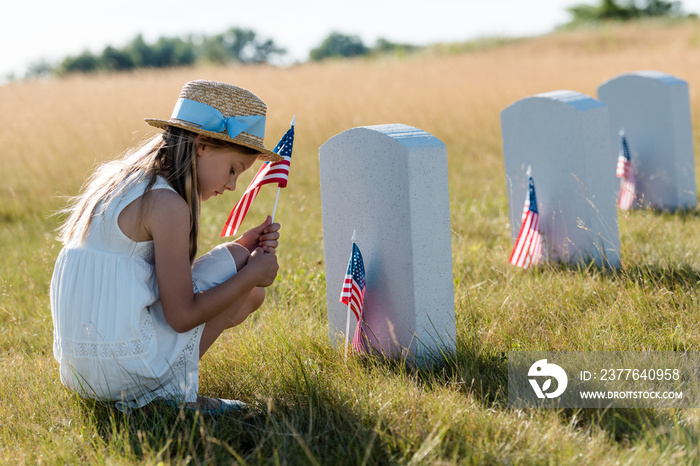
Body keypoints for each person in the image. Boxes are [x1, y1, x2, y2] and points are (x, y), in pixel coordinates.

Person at [50, 80, 281, 414]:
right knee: (250, 289)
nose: (232, 185)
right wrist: (251, 276)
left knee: (238, 259)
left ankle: (160, 388)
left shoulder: (120, 178)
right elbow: (181, 316)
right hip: (123, 369)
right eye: (233, 170)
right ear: (202, 144)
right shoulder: (169, 205)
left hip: (78, 370)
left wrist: (243, 249)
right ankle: (168, 396)